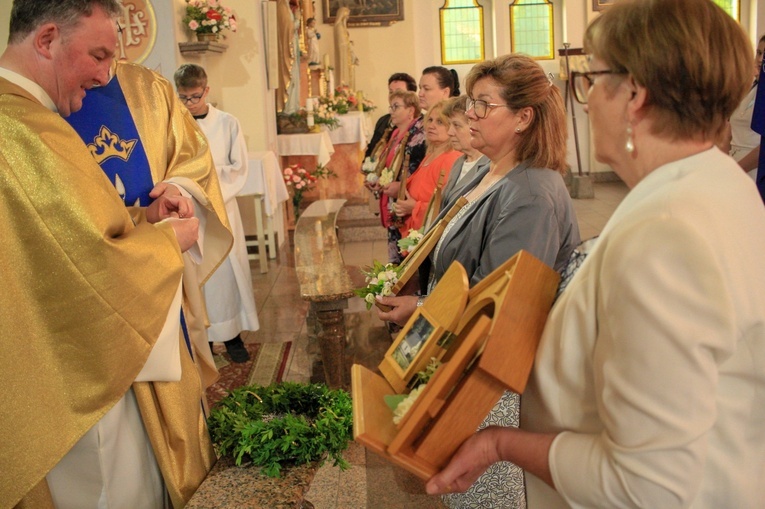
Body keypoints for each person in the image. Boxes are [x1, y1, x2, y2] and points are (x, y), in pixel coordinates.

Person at [427, 2, 765, 508]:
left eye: (593, 78)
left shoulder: (668, 233)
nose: (585, 100)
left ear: (635, 94)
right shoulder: (716, 186)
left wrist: (499, 443)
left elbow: (647, 485)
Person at [0, 1, 217, 507]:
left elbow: (65, 236)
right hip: (74, 371)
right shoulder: (24, 128)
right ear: (48, 39)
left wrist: (150, 214)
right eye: (97, 55)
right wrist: (169, 242)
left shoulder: (31, 114)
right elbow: (86, 264)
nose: (104, 75)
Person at [379, 54, 579, 509]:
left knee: (490, 496)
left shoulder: (530, 192)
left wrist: (423, 306)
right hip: (469, 361)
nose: (469, 113)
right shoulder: (491, 173)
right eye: (472, 101)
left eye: (484, 105)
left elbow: (502, 302)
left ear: (524, 117)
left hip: (498, 383)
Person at [174, 63, 260, 364]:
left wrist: (206, 183)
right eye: (183, 97)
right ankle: (205, 339)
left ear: (207, 90)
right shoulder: (175, 124)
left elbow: (239, 168)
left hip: (222, 208)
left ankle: (233, 335)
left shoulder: (228, 123)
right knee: (199, 273)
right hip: (189, 210)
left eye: (194, 96)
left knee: (226, 270)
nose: (189, 103)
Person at [365, 89, 426, 263]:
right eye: (391, 106)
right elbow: (388, 163)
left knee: (404, 255)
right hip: (391, 196)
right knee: (394, 252)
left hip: (405, 199)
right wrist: (379, 180)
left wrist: (400, 185)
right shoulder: (394, 133)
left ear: (410, 110)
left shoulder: (418, 135)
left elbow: (416, 169)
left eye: (396, 106)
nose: (391, 111)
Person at [392, 100, 461, 237]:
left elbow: (448, 206)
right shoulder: (431, 154)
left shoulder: (451, 158)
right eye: (429, 120)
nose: (431, 126)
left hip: (430, 234)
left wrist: (414, 207)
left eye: (440, 122)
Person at [440, 95, 490, 207]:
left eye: (456, 125)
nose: (450, 132)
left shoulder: (489, 167)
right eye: (449, 125)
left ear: (474, 126)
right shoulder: (458, 163)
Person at [729, 34, 764, 178]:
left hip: (754, 169)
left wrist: (737, 169)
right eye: (759, 53)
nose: (760, 59)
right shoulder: (749, 88)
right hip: (734, 163)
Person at [365, 72, 418, 160]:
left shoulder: (420, 124)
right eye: (390, 92)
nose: (393, 96)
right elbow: (372, 148)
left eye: (398, 92)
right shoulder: (383, 120)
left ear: (411, 94)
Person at [334, 6, 351, 87]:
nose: (348, 17)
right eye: (347, 15)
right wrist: (347, 43)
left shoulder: (342, 27)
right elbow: (342, 42)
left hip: (346, 51)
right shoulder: (339, 27)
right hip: (343, 52)